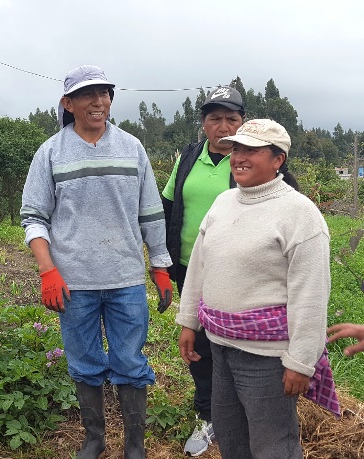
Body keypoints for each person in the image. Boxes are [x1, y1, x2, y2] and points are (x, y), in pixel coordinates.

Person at [21, 65, 173, 458]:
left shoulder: (131, 147)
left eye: (104, 93)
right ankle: (94, 440)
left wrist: (159, 265)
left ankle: (134, 446)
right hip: (74, 283)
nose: (98, 101)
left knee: (129, 361)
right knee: (85, 362)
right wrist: (48, 270)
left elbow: (151, 212)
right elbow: (34, 217)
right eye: (88, 95)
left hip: (125, 279)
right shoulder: (51, 152)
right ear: (68, 103)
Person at [176, 119, 339, 459]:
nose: (239, 157)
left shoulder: (299, 214)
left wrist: (301, 362)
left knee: (272, 444)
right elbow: (199, 267)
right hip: (219, 346)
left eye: (252, 150)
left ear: (278, 159)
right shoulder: (223, 203)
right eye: (237, 148)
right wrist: (189, 321)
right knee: (231, 437)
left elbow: (310, 294)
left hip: (267, 360)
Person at [161, 85, 244, 456]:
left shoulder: (254, 157)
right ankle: (208, 414)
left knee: (235, 342)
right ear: (204, 124)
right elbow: (167, 206)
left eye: (232, 118)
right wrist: (161, 260)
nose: (223, 126)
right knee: (198, 342)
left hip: (237, 270)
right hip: (187, 268)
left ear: (244, 122)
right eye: (215, 118)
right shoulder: (189, 157)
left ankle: (241, 412)